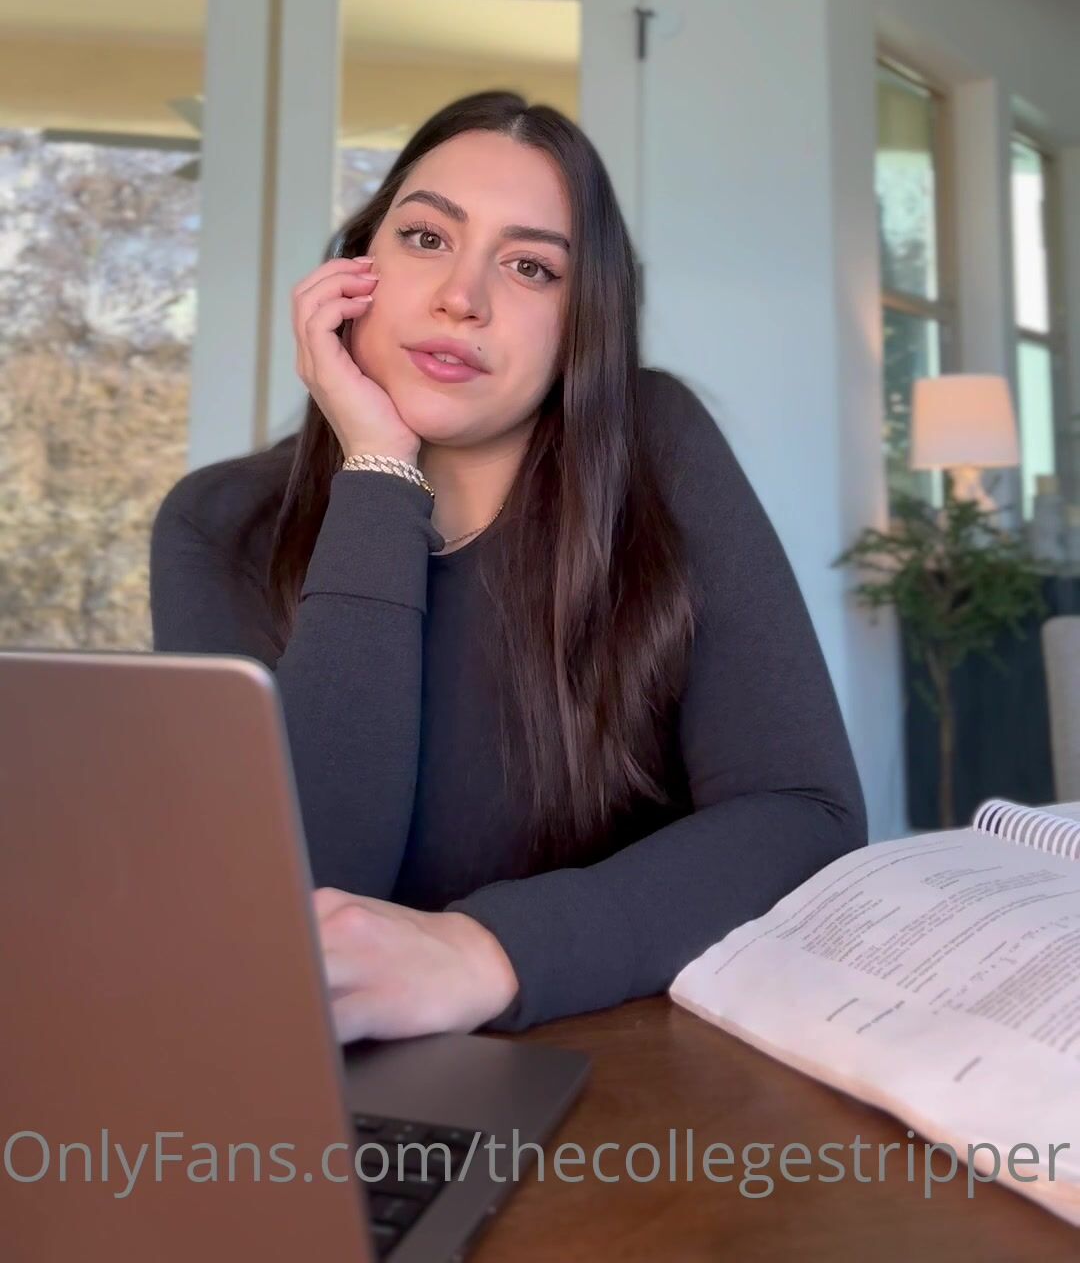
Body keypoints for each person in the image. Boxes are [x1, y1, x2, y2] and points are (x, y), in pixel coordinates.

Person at [150, 88, 867, 1043]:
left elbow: (805, 815)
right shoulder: (219, 524)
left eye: (531, 267)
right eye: (426, 238)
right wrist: (379, 471)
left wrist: (488, 952)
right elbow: (309, 902)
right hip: (329, 1080)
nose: (463, 297)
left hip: (627, 1063)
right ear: (356, 271)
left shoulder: (657, 447)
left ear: (582, 324)